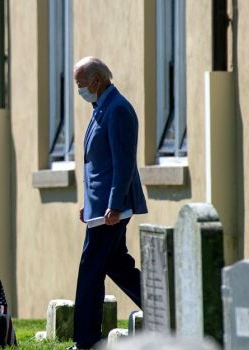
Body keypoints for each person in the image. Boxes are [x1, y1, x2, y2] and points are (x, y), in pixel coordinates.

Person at [69, 56, 148, 350]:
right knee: (117, 265)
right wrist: (89, 205)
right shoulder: (102, 107)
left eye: (80, 84)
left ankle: (86, 341)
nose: (79, 90)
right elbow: (96, 165)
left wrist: (114, 205)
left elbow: (123, 164)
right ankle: (166, 310)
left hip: (113, 210)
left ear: (96, 81)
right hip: (100, 208)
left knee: (90, 269)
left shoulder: (118, 110)